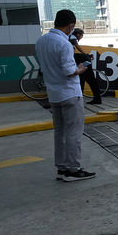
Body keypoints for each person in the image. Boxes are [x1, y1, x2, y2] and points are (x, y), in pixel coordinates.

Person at [34, 10, 96, 182]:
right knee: (74, 132)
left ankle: (62, 168)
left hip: (53, 94)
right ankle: (73, 169)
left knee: (60, 132)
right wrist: (82, 68)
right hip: (70, 93)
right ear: (70, 25)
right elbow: (70, 72)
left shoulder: (41, 41)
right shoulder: (64, 44)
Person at [69, 28, 102, 105]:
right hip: (84, 60)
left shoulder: (70, 37)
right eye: (82, 35)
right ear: (78, 34)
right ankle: (96, 98)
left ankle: (81, 99)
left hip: (83, 60)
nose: (82, 37)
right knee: (85, 79)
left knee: (86, 79)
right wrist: (85, 54)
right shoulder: (73, 37)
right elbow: (77, 47)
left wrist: (85, 55)